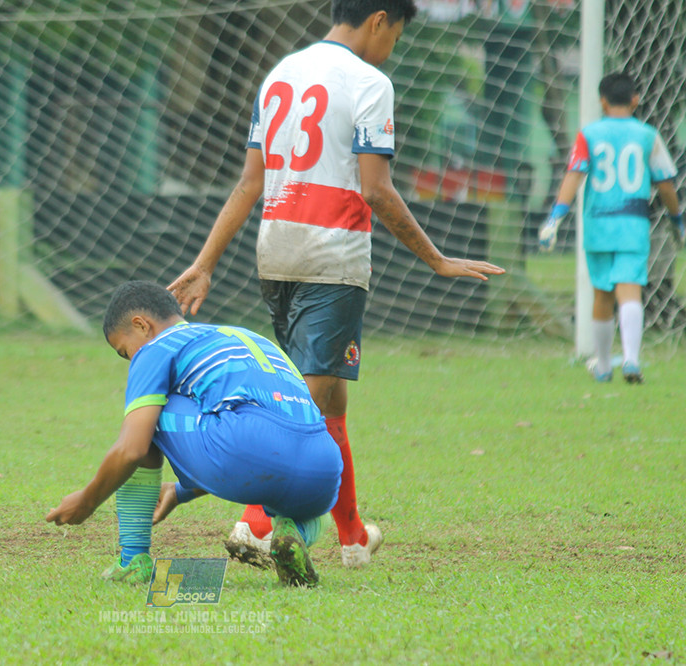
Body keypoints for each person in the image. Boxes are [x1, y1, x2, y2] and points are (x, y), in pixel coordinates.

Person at [167, 0, 505, 569]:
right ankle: (252, 525)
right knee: (298, 402)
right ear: (379, 19)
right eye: (395, 34)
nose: (391, 46)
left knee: (330, 400)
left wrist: (205, 262)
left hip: (275, 257)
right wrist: (436, 258)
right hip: (332, 262)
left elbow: (251, 182)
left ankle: (351, 537)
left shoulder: (281, 73)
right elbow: (376, 189)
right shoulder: (370, 82)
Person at [45, 280, 343, 587]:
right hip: (324, 469)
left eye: (125, 351)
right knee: (298, 502)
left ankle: (132, 560)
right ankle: (293, 536)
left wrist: (88, 501)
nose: (132, 361)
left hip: (246, 450)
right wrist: (177, 492)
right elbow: (267, 437)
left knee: (148, 415)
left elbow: (132, 449)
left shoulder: (158, 348)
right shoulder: (243, 337)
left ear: (141, 325)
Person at [539, 72, 682, 384]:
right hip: (633, 223)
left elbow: (573, 176)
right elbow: (666, 184)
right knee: (630, 288)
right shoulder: (647, 135)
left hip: (598, 224)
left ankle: (603, 365)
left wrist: (555, 217)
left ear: (601, 100)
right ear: (635, 99)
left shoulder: (589, 134)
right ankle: (631, 359)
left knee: (602, 294)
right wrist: (677, 218)